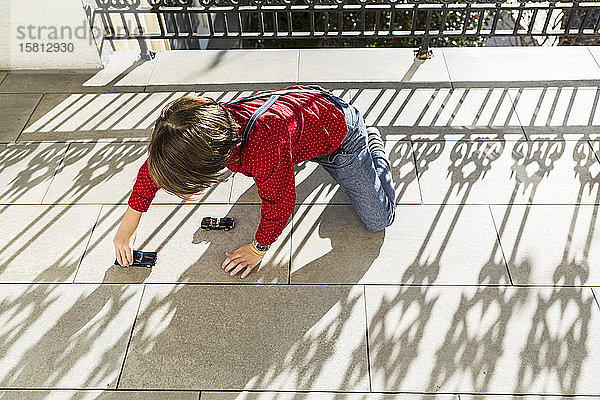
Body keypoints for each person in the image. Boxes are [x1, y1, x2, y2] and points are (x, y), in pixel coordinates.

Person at [113, 85, 396, 278]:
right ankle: (304, 148)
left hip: (339, 136)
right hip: (299, 118)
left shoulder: (261, 150)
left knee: (378, 220)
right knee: (276, 163)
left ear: (215, 161)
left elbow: (281, 204)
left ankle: (373, 144)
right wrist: (127, 227)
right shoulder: (202, 126)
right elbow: (154, 168)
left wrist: (257, 248)